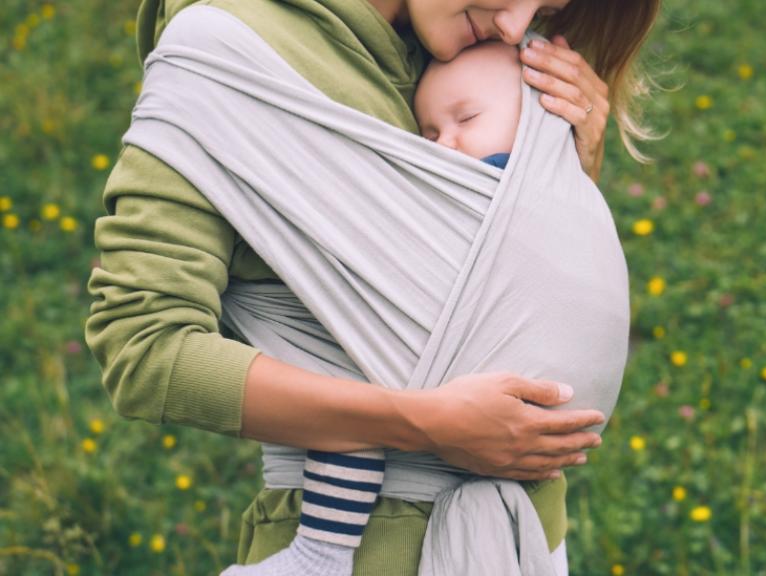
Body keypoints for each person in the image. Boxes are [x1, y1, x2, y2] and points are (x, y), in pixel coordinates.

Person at [85, 0, 662, 574]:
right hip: (362, 549)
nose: (518, 24)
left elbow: (490, 277)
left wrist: (566, 168)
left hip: (528, 541)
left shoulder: (473, 53)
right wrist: (423, 423)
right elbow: (144, 348)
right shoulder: (227, 59)